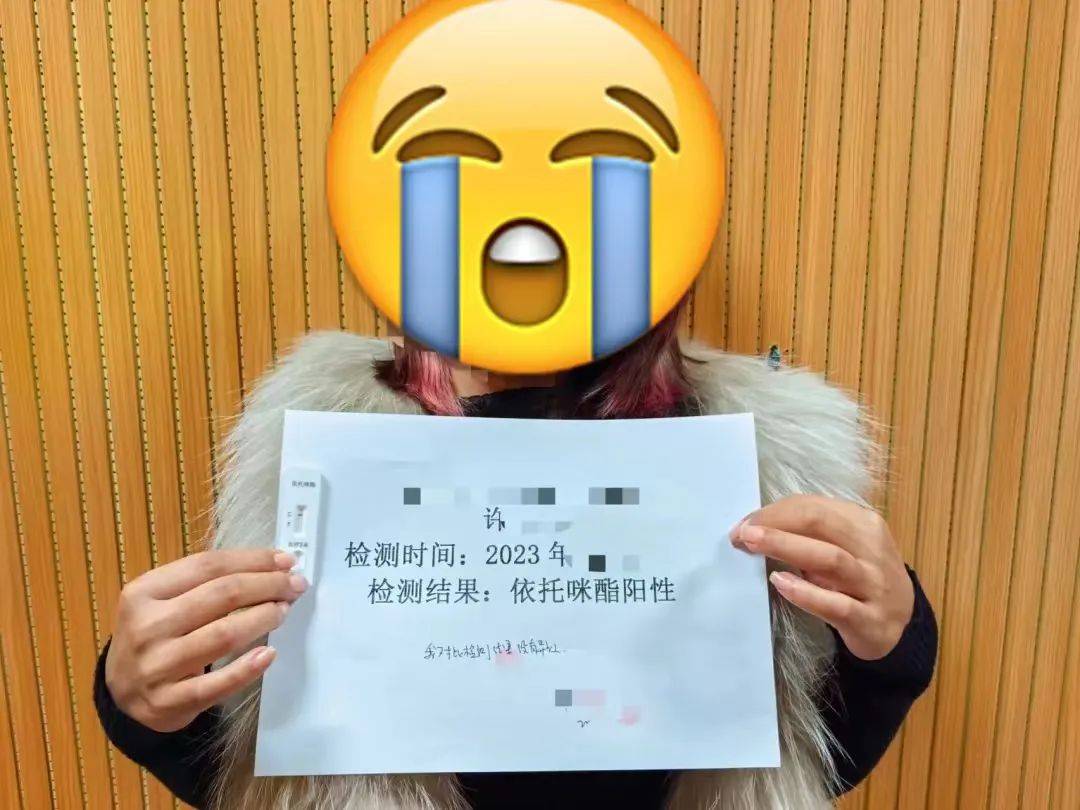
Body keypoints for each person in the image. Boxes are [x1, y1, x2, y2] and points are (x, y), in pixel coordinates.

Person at [94, 302, 937, 809]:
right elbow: (269, 762)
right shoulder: (327, 448)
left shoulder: (737, 450)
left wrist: (889, 638)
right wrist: (146, 699)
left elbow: (796, 756)